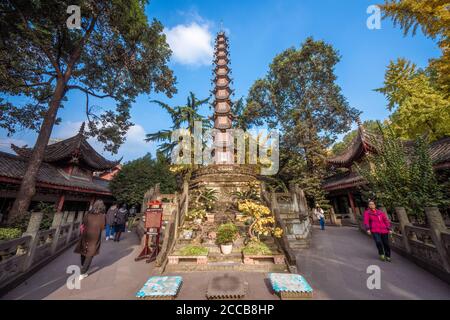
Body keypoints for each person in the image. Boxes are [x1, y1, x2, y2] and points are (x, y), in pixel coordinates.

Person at [74, 200, 106, 280]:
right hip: (95, 235)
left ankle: (82, 265)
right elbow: (102, 227)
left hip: (86, 234)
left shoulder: (88, 214)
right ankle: (83, 272)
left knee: (84, 249)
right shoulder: (102, 216)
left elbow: (84, 222)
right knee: (90, 253)